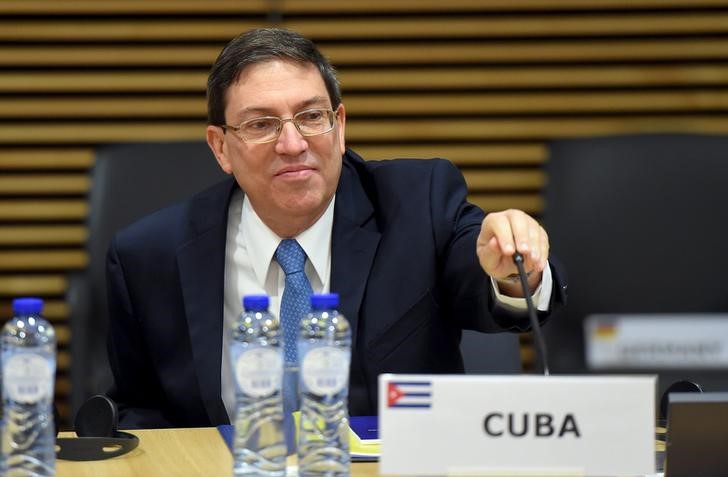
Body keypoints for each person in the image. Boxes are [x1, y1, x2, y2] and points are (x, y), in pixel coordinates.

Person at [106, 28, 567, 429]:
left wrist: (511, 270)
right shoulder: (150, 256)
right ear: (221, 147)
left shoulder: (417, 203)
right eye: (262, 124)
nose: (292, 144)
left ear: (339, 126)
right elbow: (140, 412)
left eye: (311, 117)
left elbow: (483, 277)